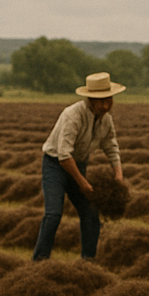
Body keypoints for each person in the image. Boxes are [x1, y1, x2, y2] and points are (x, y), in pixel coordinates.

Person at [33, 71, 126, 261]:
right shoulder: (73, 115)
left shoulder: (106, 119)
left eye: (109, 100)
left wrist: (118, 175)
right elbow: (64, 155)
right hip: (55, 166)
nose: (106, 105)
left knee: (91, 213)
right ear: (90, 100)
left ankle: (88, 262)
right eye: (101, 101)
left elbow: (111, 145)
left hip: (79, 164)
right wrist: (82, 183)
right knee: (53, 214)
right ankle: (39, 263)